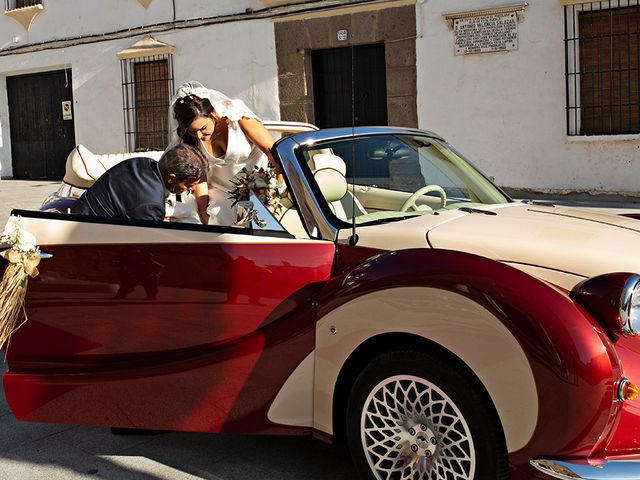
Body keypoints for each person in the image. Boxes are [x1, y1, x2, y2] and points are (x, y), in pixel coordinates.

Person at [171, 81, 279, 225]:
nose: (198, 135)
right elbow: (200, 179)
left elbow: (274, 153)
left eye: (203, 128)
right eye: (192, 131)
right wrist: (203, 214)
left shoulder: (239, 119)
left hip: (259, 190)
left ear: (213, 113)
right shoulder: (192, 140)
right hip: (219, 197)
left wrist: (275, 189)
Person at [71, 143, 207, 221]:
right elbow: (145, 245)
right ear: (171, 178)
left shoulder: (144, 162)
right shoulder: (150, 206)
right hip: (91, 236)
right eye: (189, 185)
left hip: (82, 214)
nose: (192, 189)